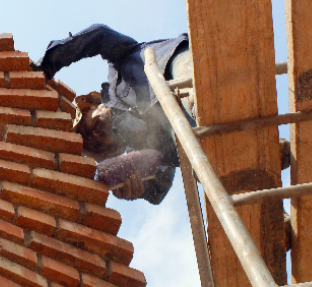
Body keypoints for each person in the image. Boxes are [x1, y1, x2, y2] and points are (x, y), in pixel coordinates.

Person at [32, 24, 194, 204]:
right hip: (195, 130)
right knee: (198, 152)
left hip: (174, 65)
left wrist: (47, 65)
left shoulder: (120, 67)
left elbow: (100, 35)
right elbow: (160, 186)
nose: (94, 136)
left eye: (87, 129)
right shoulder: (141, 148)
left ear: (92, 107)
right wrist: (140, 189)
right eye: (95, 145)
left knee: (192, 82)